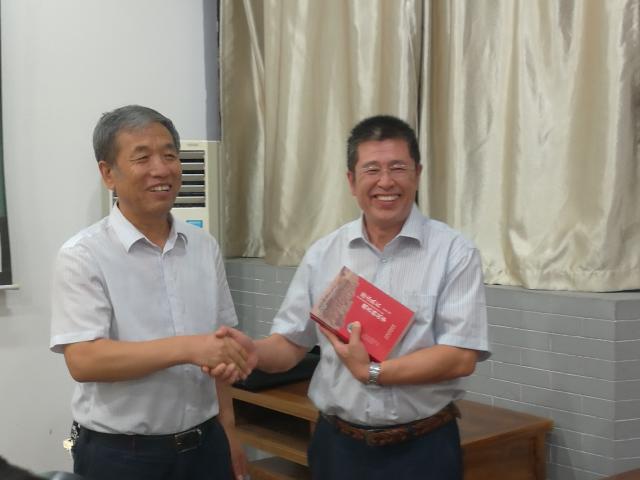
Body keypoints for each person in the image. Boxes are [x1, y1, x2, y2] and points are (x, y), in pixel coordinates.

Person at [249, 115, 490, 479]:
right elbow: (290, 344)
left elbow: (460, 356)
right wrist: (249, 352)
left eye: (398, 168)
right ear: (351, 180)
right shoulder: (325, 253)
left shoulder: (454, 252)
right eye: (372, 170)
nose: (386, 182)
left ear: (417, 174)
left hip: (423, 449)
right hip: (338, 448)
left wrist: (372, 372)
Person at [50, 105, 256, 480]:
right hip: (122, 455)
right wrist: (189, 348)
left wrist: (228, 429)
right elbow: (84, 361)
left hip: (206, 444)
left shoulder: (203, 246)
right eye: (142, 158)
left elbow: (219, 346)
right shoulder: (82, 254)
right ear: (108, 174)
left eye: (169, 155)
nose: (161, 169)